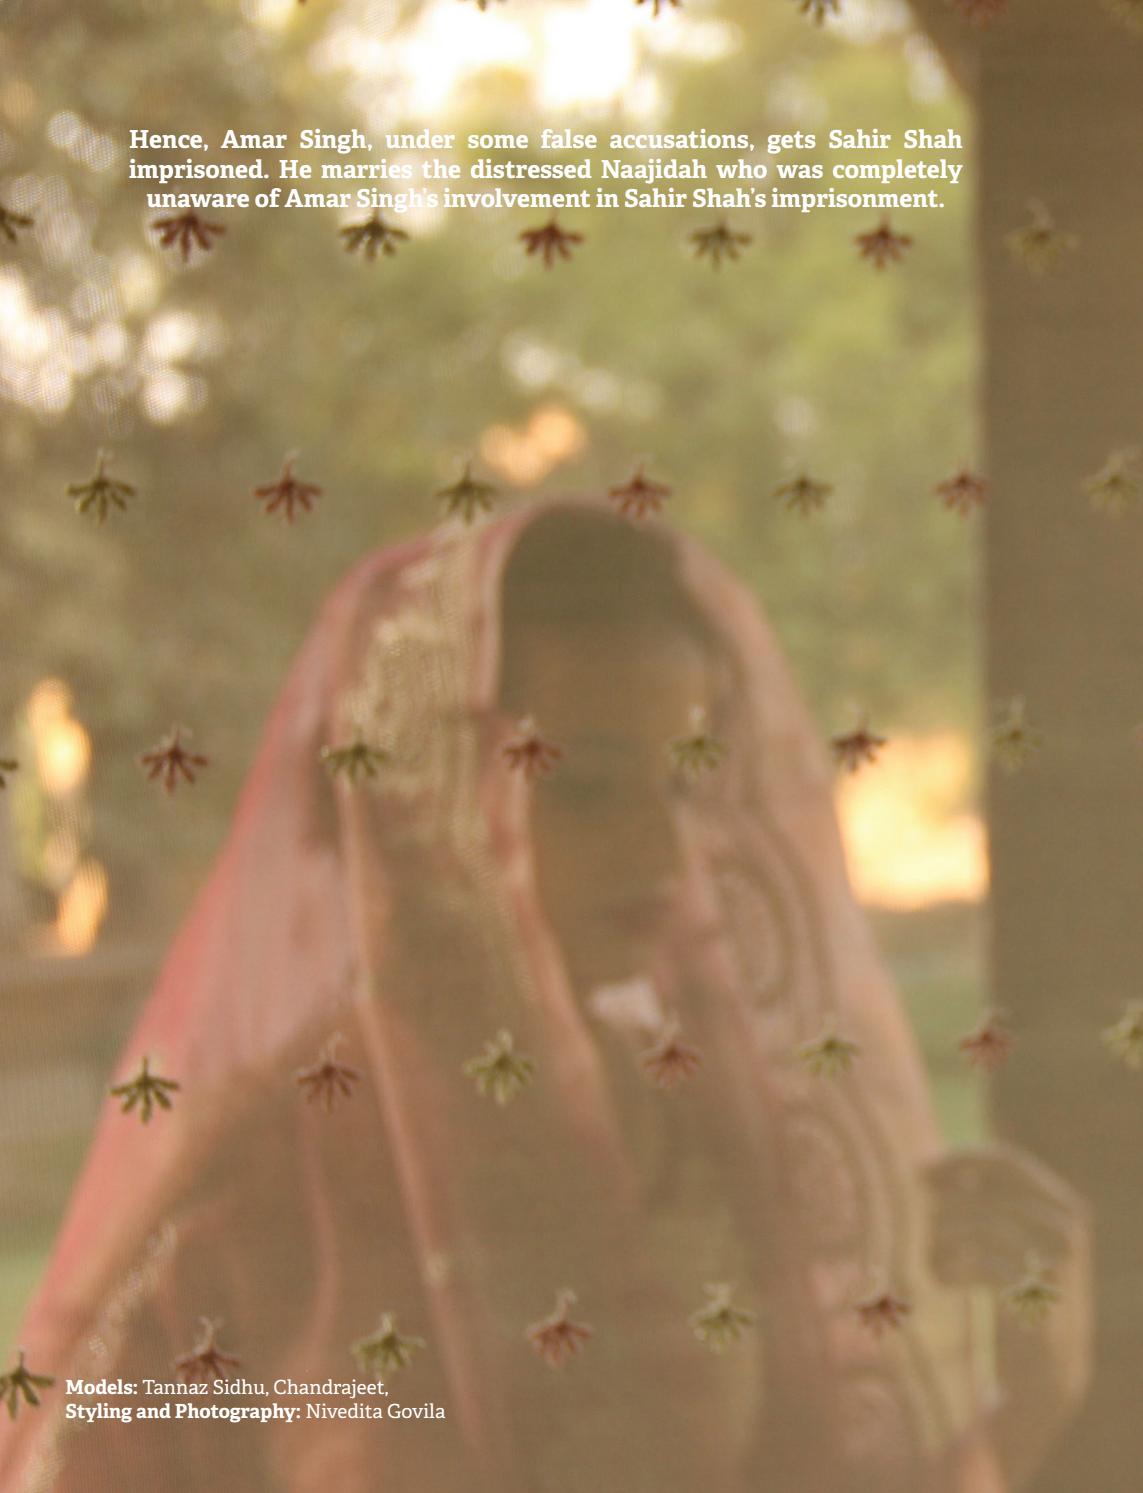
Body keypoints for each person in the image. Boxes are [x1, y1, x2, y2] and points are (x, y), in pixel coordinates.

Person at [1, 495, 1091, 1492]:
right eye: (590, 789)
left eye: (685, 784)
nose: (666, 850)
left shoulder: (700, 1131)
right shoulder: (259, 1191)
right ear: (425, 801)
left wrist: (1038, 1367)